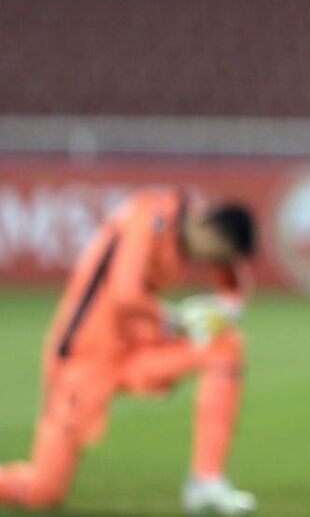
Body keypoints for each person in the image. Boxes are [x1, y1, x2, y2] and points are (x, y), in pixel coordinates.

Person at [0, 188, 257, 516]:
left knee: (225, 345)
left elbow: (234, 283)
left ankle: (204, 482)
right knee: (44, 492)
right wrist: (175, 320)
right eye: (215, 253)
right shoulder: (149, 216)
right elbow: (125, 294)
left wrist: (227, 310)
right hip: (83, 357)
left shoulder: (198, 224)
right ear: (208, 229)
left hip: (136, 352)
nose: (210, 264)